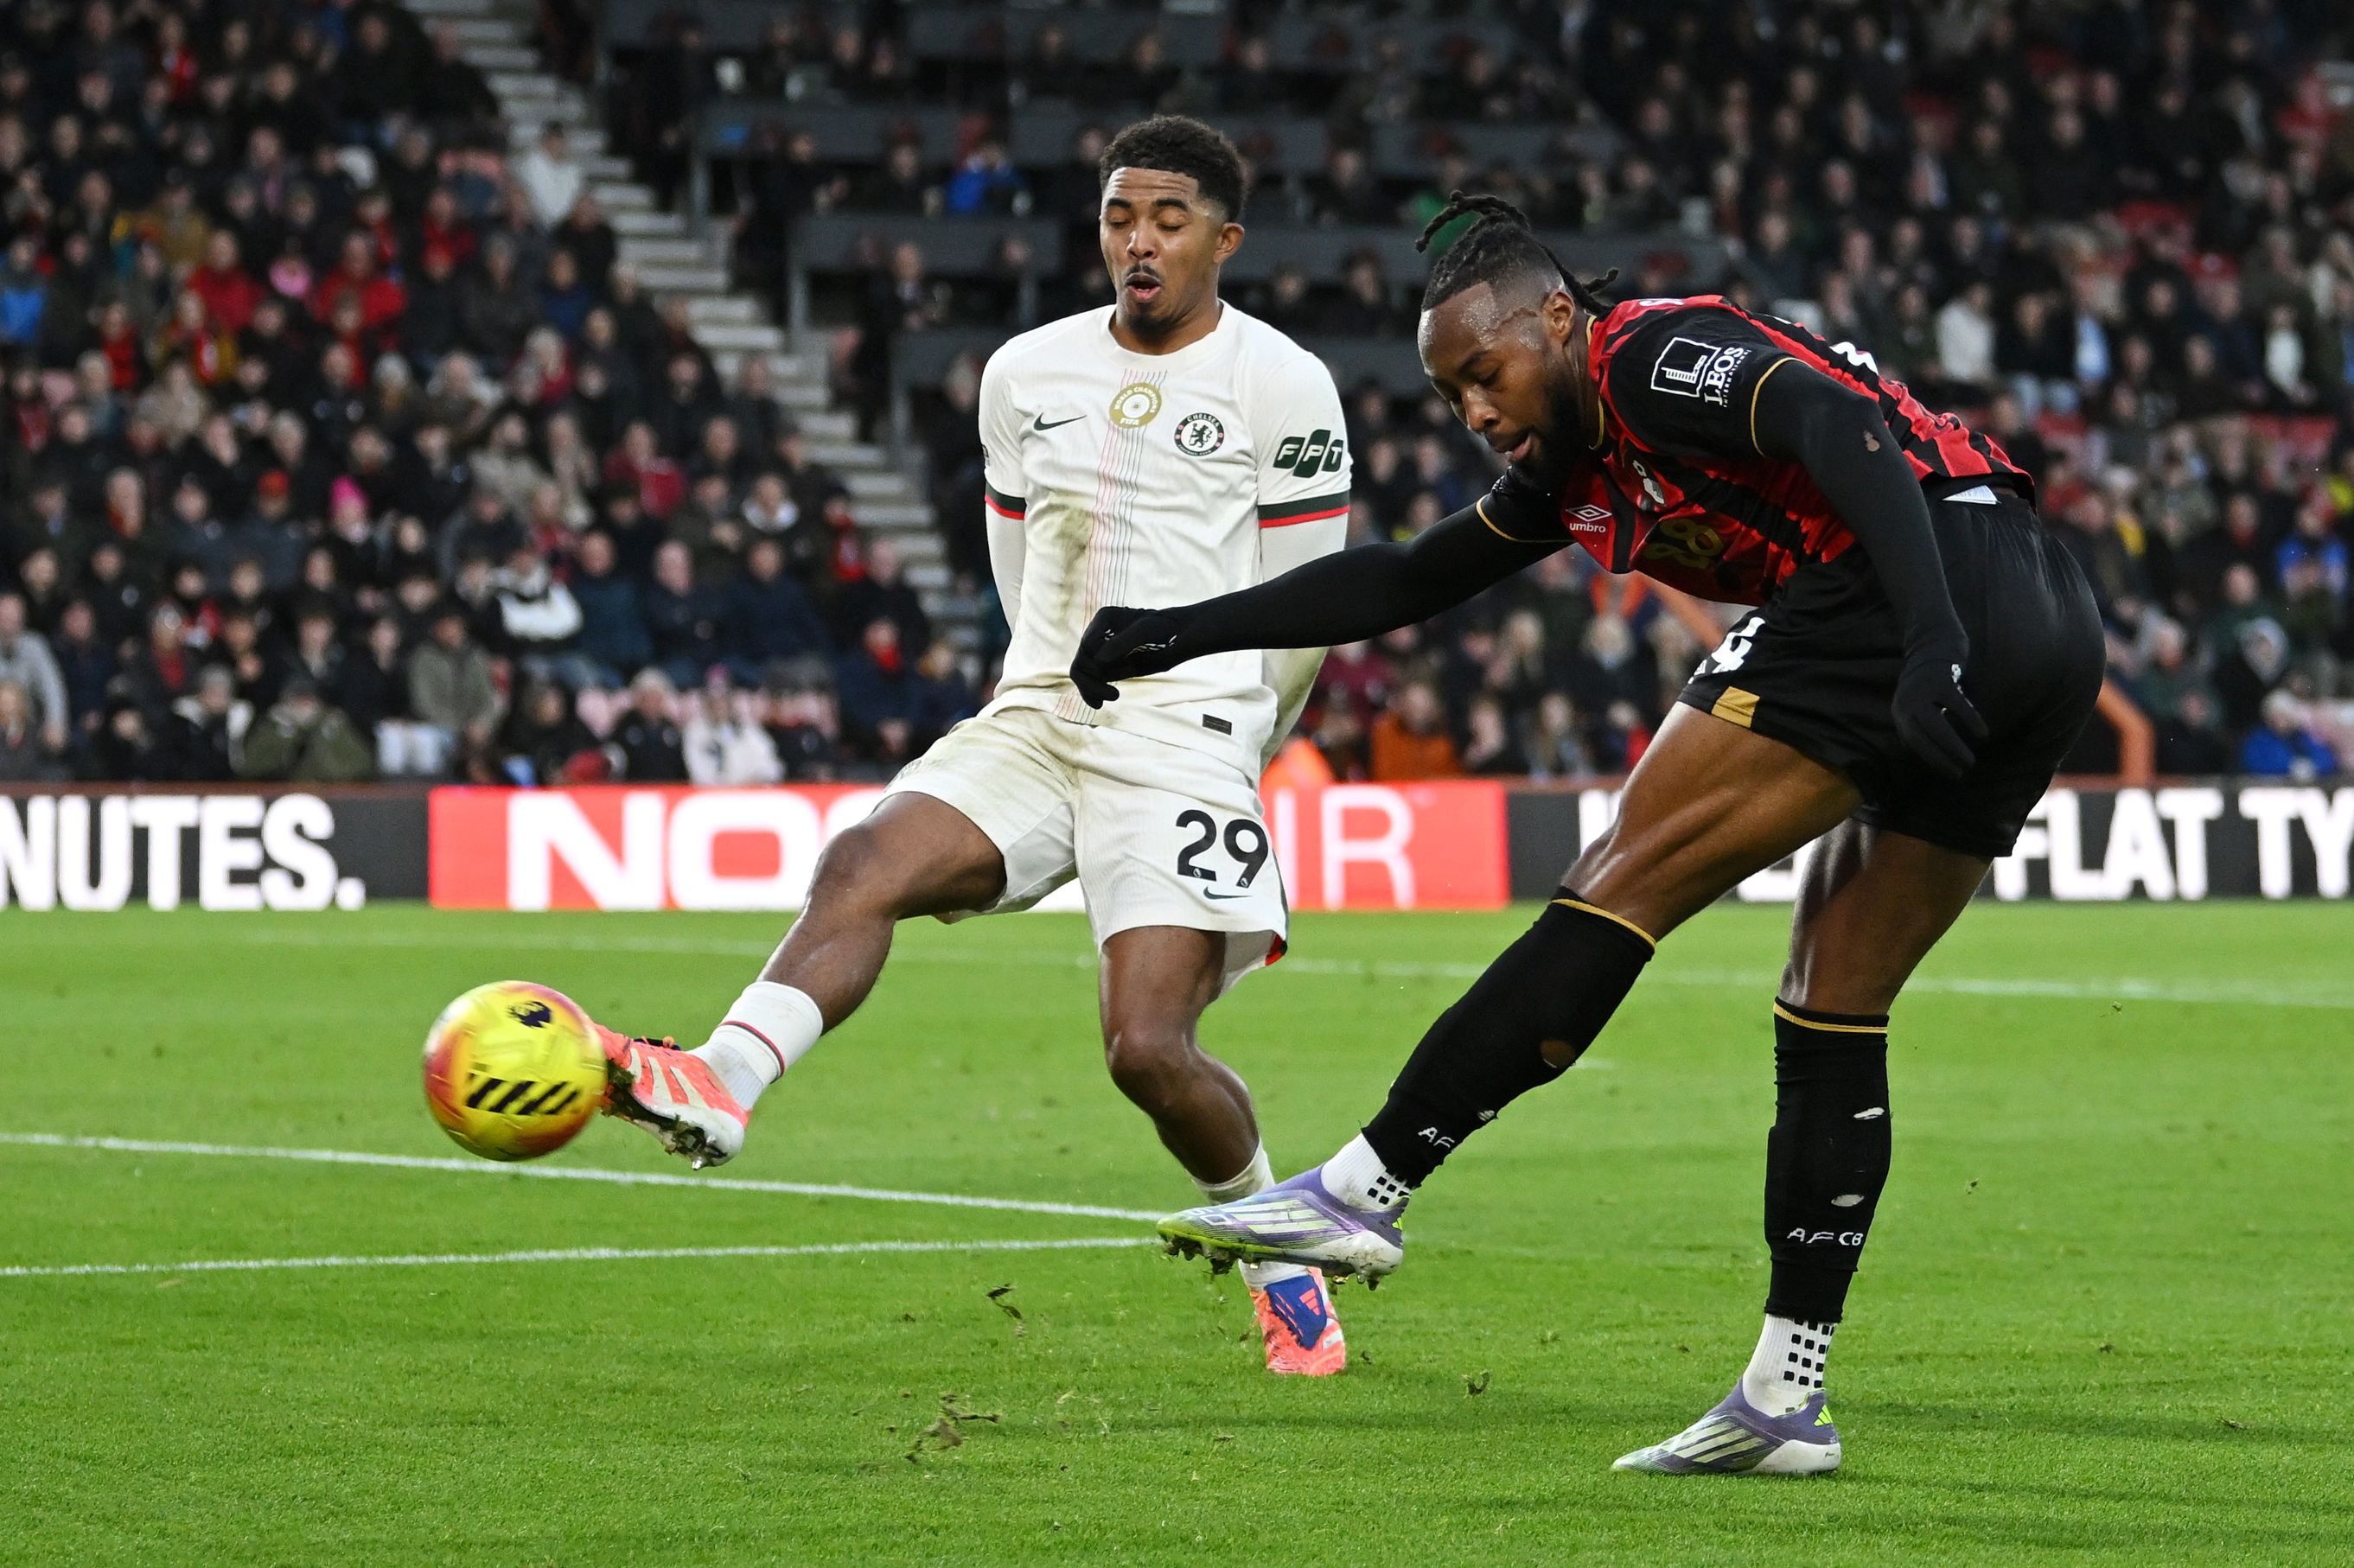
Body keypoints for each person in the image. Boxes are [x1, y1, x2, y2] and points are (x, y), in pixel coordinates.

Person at [1073, 193, 2105, 1461]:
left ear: (1557, 319)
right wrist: (1176, 629)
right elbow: (1406, 576)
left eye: (1487, 371)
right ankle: (1785, 1399)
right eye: (1455, 398)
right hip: (2047, 617)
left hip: (1926, 581)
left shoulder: (1645, 354)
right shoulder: (1574, 470)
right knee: (1831, 996)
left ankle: (1364, 1191)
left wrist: (1934, 628)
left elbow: (1833, 419)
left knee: (1620, 874)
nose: (1480, 411)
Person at [594, 117, 1356, 1376]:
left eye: (1169, 217)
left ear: (1225, 237)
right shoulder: (1025, 373)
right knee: (863, 860)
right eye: (1120, 214)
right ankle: (723, 1077)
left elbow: (1308, 607)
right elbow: (1018, 571)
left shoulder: (1285, 383)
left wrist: (1235, 742)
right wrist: (1041, 678)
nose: (1139, 240)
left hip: (1188, 739)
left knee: (1147, 1051)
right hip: (1041, 713)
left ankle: (1281, 1252)